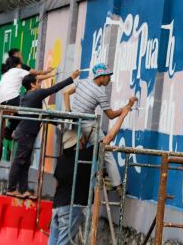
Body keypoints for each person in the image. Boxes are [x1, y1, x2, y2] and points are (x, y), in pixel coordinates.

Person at [48, 105, 131, 245]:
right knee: (63, 242)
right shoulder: (85, 155)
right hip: (71, 207)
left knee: (53, 241)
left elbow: (58, 182)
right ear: (78, 142)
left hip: (57, 206)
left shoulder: (62, 159)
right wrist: (122, 115)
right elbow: (109, 137)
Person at [6, 69, 80, 198]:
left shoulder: (25, 96)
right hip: (26, 133)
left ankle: (24, 190)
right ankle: (11, 188)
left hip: (25, 133)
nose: (40, 84)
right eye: (38, 82)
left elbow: (39, 114)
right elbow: (54, 89)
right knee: (19, 161)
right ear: (33, 85)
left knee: (25, 162)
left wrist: (56, 122)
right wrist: (71, 78)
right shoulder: (36, 94)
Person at [62, 63, 136, 192]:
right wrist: (126, 107)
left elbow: (65, 93)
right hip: (88, 125)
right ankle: (117, 185)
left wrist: (69, 112)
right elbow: (111, 115)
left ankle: (102, 176)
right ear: (101, 76)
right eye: (108, 76)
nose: (109, 79)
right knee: (105, 151)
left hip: (76, 124)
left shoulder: (82, 82)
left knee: (84, 155)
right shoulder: (99, 93)